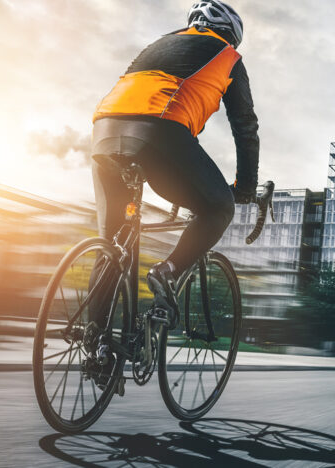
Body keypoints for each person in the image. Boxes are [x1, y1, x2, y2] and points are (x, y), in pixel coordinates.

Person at [91, 0, 258, 314]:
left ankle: (96, 349)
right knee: (219, 206)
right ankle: (167, 272)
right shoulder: (228, 56)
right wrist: (246, 186)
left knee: (110, 245)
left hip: (104, 131)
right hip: (160, 130)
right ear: (231, 35)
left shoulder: (156, 46)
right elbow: (245, 127)